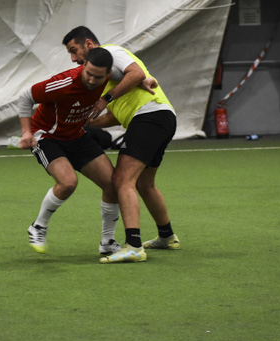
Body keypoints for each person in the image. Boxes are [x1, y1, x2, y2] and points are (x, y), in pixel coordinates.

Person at [62, 26, 179, 264]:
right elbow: (115, 116)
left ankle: (134, 246)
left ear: (89, 44)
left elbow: (136, 73)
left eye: (74, 50)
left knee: (122, 180)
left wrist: (105, 99)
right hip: (159, 118)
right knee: (144, 183)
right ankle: (167, 236)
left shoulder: (110, 52)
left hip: (150, 117)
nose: (73, 58)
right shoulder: (106, 77)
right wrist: (86, 123)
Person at [19, 47, 122, 256]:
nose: (92, 80)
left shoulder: (111, 76)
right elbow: (26, 96)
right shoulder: (64, 82)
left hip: (76, 135)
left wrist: (143, 82)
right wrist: (26, 132)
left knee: (113, 184)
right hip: (46, 136)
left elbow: (132, 76)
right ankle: (38, 226)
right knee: (68, 183)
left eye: (98, 77)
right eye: (88, 74)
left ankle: (107, 242)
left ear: (108, 74)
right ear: (84, 66)